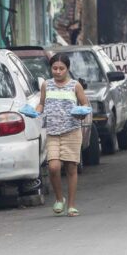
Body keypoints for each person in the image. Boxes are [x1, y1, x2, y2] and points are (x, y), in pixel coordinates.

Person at [36, 53, 90, 217]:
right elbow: (42, 103)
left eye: (61, 68)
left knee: (71, 168)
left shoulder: (75, 86)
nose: (58, 71)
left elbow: (85, 104)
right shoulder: (46, 85)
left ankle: (72, 205)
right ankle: (60, 198)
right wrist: (34, 112)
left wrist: (81, 113)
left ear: (67, 69)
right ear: (50, 68)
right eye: (54, 68)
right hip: (52, 132)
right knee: (53, 167)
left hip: (72, 131)